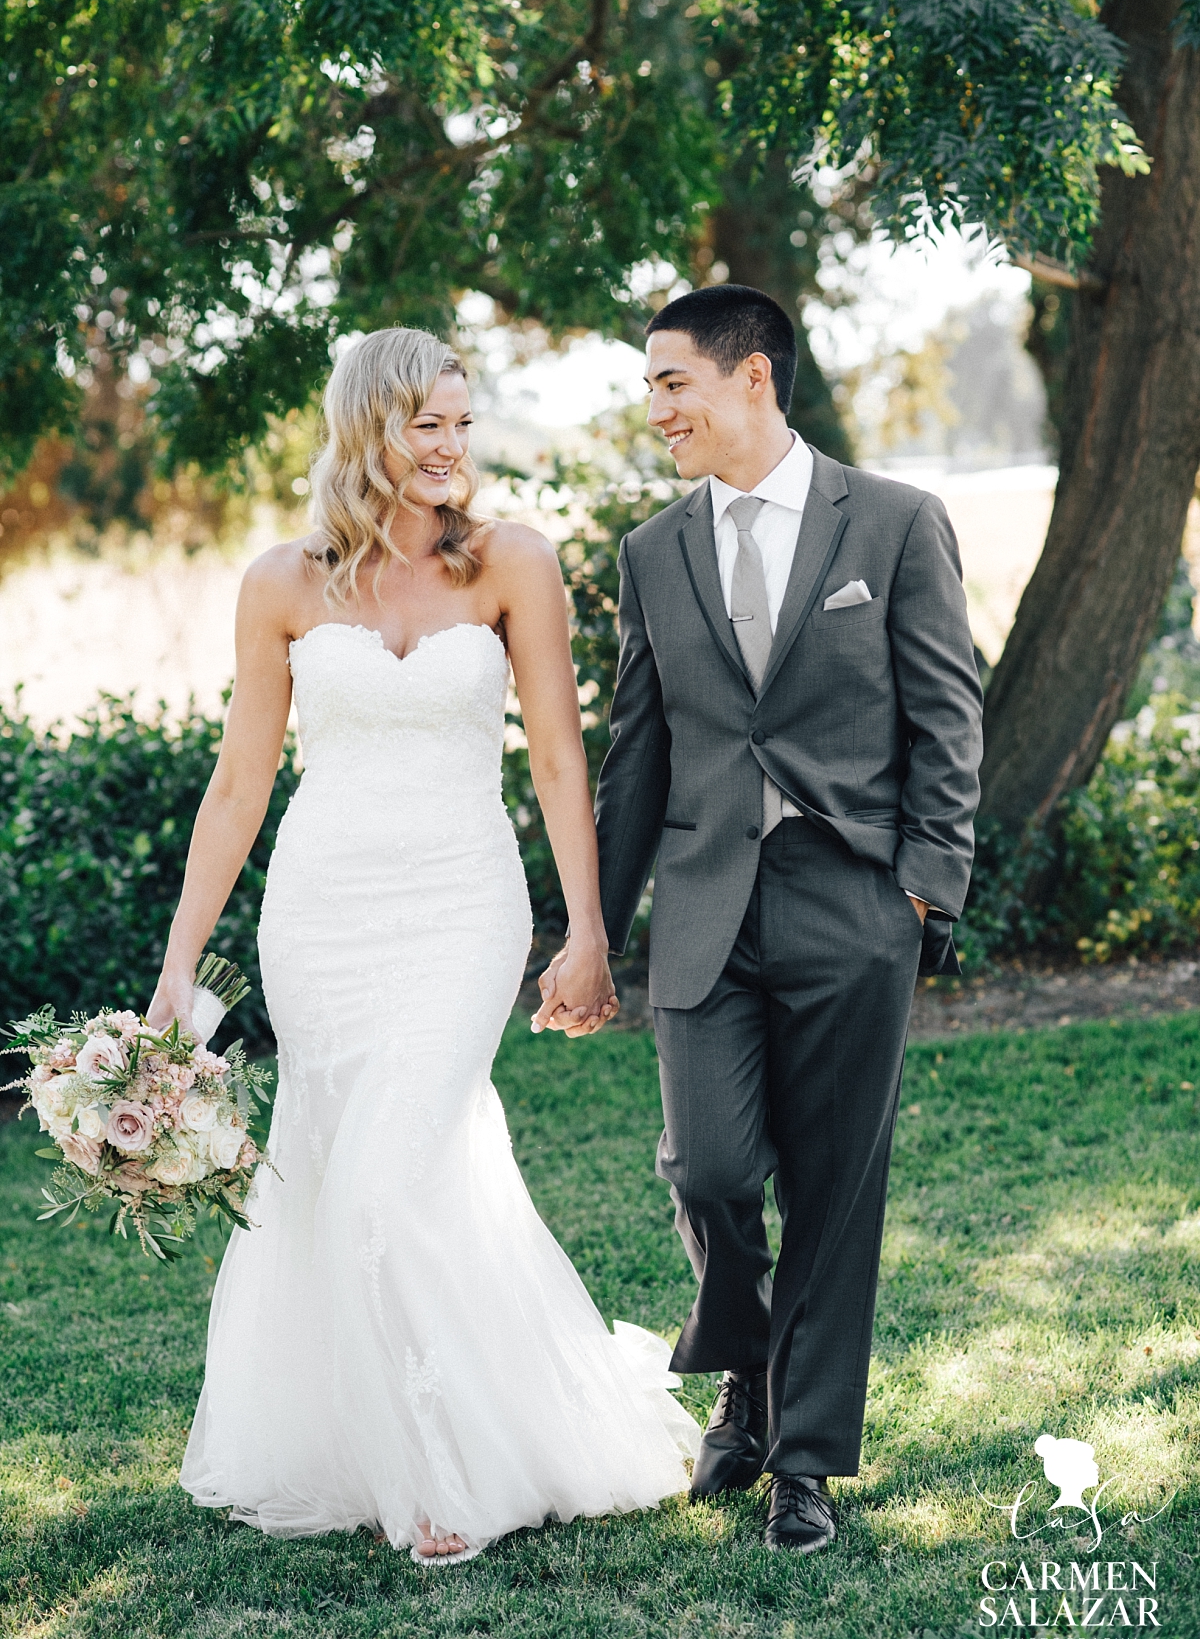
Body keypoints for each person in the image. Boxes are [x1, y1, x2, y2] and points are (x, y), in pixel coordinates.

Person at [149, 326, 699, 1564]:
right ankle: (373, 1434)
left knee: (389, 1180)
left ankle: (444, 1472)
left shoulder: (513, 563)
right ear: (366, 430)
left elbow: (562, 758)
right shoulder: (281, 585)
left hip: (462, 904)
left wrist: (587, 929)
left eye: (463, 422)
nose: (452, 447)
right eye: (426, 424)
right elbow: (239, 786)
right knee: (355, 1176)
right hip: (322, 911)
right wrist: (183, 961)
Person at [570, 283, 983, 1552]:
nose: (656, 411)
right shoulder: (653, 551)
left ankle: (797, 1457)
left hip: (854, 903)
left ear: (753, 379)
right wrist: (589, 922)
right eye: (650, 388)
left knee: (833, 1188)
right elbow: (637, 750)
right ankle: (745, 1361)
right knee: (706, 1165)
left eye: (672, 383)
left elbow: (947, 717)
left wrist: (925, 889)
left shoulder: (899, 524)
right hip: (704, 910)